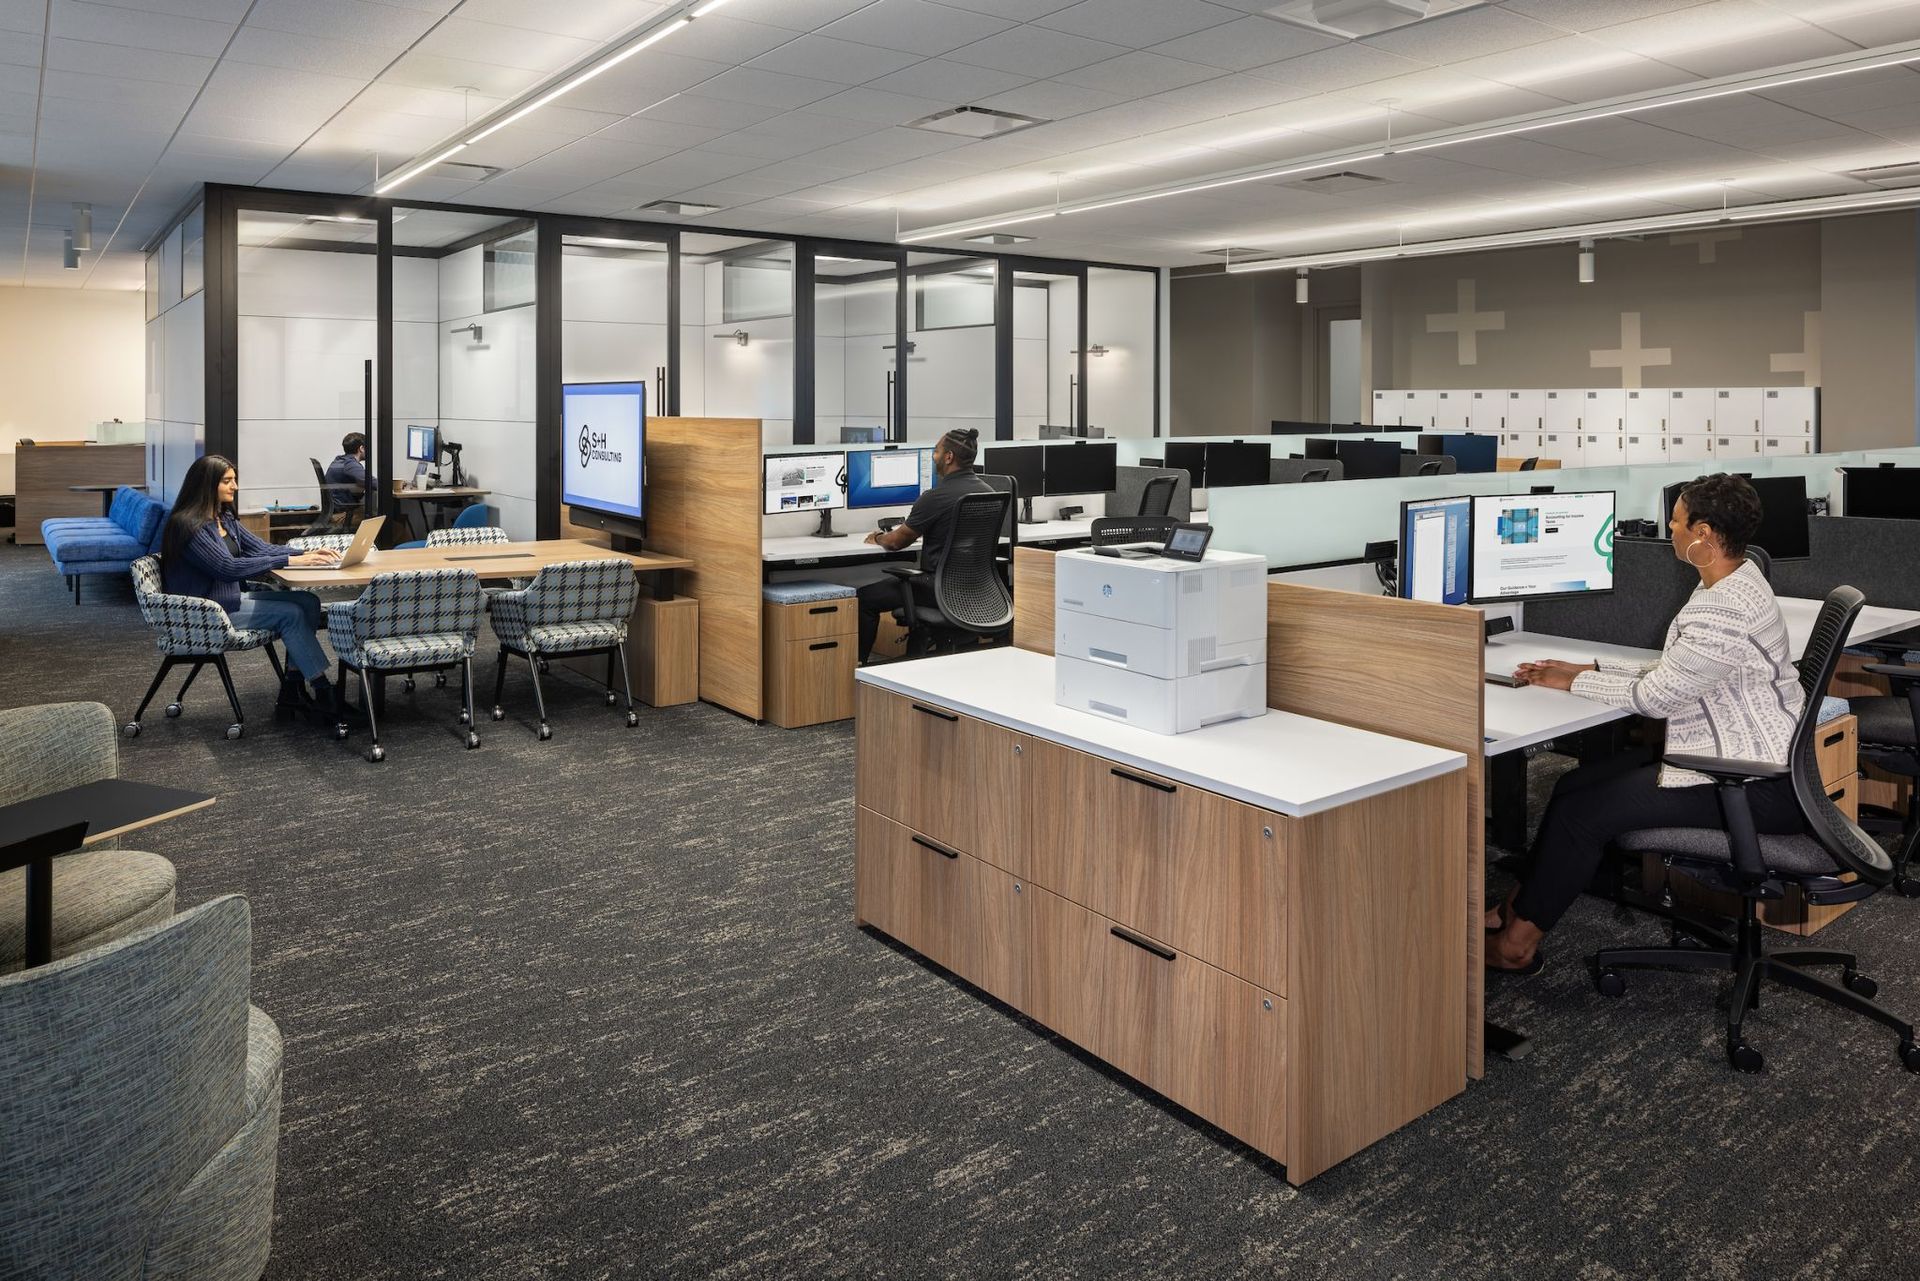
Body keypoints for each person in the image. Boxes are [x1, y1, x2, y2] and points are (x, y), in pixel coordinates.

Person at [1487, 473, 1806, 974]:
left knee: (1583, 812)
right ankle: (1516, 906)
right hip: (1746, 757)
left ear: (1702, 532)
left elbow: (1656, 698)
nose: (1670, 532)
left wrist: (1572, 684)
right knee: (1574, 783)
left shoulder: (1724, 606)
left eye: (1676, 522)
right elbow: (1679, 669)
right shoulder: (1739, 578)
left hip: (1749, 781)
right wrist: (1586, 669)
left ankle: (1516, 944)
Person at [160, 454, 347, 721]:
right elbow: (226, 568)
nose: (234, 487)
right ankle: (323, 692)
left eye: (234, 480)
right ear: (206, 484)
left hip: (228, 601)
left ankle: (292, 691)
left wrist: (307, 553)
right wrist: (291, 560)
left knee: (308, 602)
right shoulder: (189, 526)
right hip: (206, 613)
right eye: (227, 481)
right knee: (291, 614)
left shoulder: (223, 519)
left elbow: (262, 549)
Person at [855, 428, 994, 663]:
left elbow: (896, 543)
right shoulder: (989, 492)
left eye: (937, 450)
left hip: (936, 588)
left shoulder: (935, 497)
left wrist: (877, 537)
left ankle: (861, 668)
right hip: (977, 588)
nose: (934, 455)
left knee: (863, 599)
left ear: (949, 457)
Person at [324, 432, 369, 521]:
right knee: (395, 527)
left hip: (336, 512)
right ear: (362, 448)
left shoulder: (340, 460)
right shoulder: (350, 464)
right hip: (344, 515)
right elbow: (371, 482)